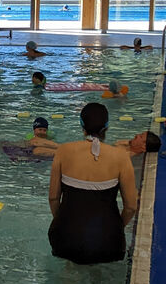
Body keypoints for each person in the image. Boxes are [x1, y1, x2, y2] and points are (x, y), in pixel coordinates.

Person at [47, 103, 138, 265]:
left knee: (69, 271)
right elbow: (131, 207)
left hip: (65, 239)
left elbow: (53, 198)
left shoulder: (63, 151)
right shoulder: (121, 157)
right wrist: (117, 228)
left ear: (82, 125)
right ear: (107, 127)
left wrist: (63, 222)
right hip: (108, 242)